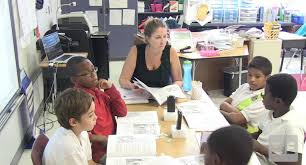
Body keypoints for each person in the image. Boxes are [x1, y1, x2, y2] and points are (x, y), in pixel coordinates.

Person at [66, 56, 127, 163]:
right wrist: (102, 139)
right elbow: (75, 133)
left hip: (114, 138)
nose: (93, 75)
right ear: (74, 79)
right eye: (86, 74)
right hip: (100, 151)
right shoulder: (79, 100)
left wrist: (110, 89)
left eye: (93, 69)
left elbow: (121, 112)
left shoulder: (98, 91)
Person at [253, 73, 304, 164]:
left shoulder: (291, 125)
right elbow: (258, 134)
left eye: (265, 94)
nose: (262, 96)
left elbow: (295, 161)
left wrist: (261, 149)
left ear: (277, 101)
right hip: (255, 156)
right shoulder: (269, 113)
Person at [119, 18, 182, 89]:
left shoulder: (171, 52)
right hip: (139, 97)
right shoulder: (136, 51)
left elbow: (178, 80)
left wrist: (172, 88)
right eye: (158, 37)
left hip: (163, 97)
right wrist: (133, 87)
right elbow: (123, 80)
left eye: (165, 36)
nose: (162, 41)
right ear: (147, 38)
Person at [43, 88, 97, 165]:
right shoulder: (69, 149)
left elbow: (90, 163)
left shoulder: (82, 132)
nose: (96, 117)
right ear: (74, 122)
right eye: (90, 115)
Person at [220, 56, 272, 133]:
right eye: (249, 75)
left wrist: (220, 112)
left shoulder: (264, 98)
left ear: (267, 78)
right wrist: (236, 113)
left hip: (246, 135)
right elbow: (224, 104)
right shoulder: (244, 86)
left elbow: (236, 119)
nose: (252, 80)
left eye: (257, 76)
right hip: (230, 125)